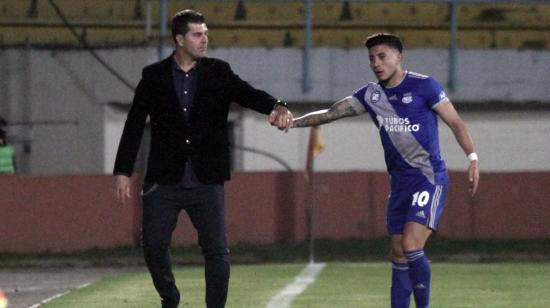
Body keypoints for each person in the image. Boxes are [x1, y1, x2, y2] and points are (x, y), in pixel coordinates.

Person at [113, 9, 292, 308]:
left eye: (206, 33)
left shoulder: (219, 72)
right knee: (154, 246)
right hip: (163, 180)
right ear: (180, 39)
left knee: (217, 252)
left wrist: (276, 105)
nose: (204, 39)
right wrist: (122, 171)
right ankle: (170, 298)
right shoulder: (153, 76)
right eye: (198, 34)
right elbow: (134, 124)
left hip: (206, 179)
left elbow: (247, 93)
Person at [289, 33, 479, 308]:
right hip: (400, 185)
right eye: (371, 58)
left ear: (399, 57)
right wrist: (291, 123)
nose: (376, 63)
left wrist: (472, 158)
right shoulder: (371, 95)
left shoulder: (425, 86)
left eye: (382, 56)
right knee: (398, 254)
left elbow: (456, 123)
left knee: (412, 246)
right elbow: (330, 113)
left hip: (429, 179)